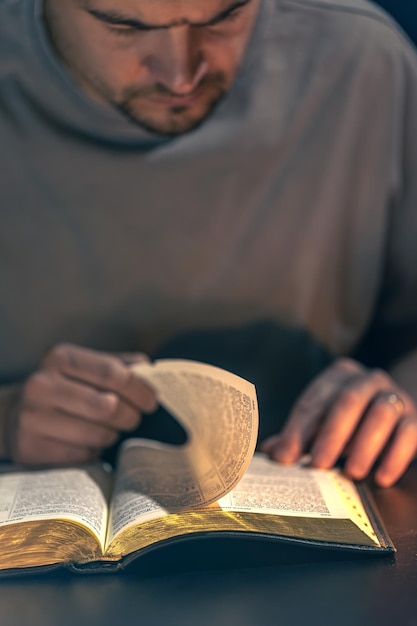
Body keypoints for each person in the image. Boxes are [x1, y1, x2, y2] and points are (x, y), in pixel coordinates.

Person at [0, 0, 416, 487]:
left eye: (224, 16)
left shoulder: (362, 63)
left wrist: (400, 399)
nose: (180, 76)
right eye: (123, 25)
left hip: (313, 500)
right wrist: (6, 419)